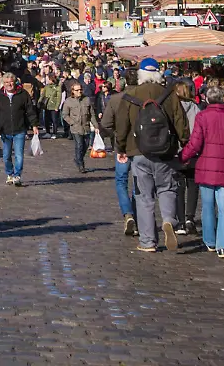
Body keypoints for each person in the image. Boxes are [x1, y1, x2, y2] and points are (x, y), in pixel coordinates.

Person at [113, 58, 190, 254]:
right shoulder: (169, 95)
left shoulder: (130, 96)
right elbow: (181, 122)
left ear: (140, 74)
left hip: (138, 151)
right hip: (166, 152)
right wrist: (185, 143)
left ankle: (148, 241)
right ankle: (168, 220)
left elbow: (121, 127)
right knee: (167, 188)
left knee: (144, 197)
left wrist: (120, 148)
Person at [180, 84, 224, 258]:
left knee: (208, 206)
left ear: (207, 99)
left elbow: (195, 144)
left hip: (206, 167)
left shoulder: (202, 117)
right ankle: (223, 245)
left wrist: (182, 158)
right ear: (223, 99)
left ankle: (209, 241)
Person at [100, 78, 137, 236]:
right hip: (140, 146)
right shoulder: (144, 97)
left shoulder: (115, 99)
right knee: (139, 182)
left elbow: (106, 124)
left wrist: (114, 135)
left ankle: (128, 214)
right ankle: (138, 216)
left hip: (121, 146)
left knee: (121, 181)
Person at [0, 72, 39, 186]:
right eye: (6, 82)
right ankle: (9, 174)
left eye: (11, 82)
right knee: (6, 156)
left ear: (15, 82)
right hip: (4, 130)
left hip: (19, 129)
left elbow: (30, 111)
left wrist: (34, 125)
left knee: (19, 155)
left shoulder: (23, 94)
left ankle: (17, 175)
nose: (9, 84)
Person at [171, 80, 201, 236]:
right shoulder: (195, 107)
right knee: (193, 186)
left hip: (178, 150)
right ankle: (190, 218)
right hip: (193, 150)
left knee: (179, 186)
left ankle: (181, 221)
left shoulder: (173, 108)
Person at [64, 82, 93, 173]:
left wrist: (96, 126)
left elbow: (92, 114)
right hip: (76, 128)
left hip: (86, 126)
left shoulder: (86, 99)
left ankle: (78, 158)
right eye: (77, 90)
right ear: (72, 91)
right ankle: (81, 165)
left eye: (80, 89)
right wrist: (72, 122)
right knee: (79, 145)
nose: (79, 91)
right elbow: (65, 115)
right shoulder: (68, 101)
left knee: (86, 144)